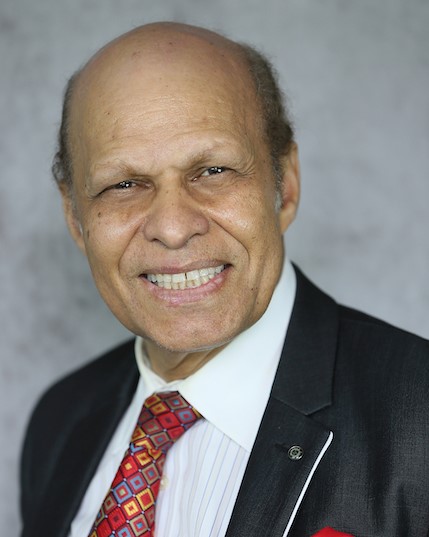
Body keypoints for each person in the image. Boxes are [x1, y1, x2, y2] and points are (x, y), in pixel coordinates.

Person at [20, 22, 429, 537]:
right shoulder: (60, 421)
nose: (173, 228)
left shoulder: (418, 420)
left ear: (286, 185)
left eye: (213, 170)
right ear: (75, 217)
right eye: (123, 184)